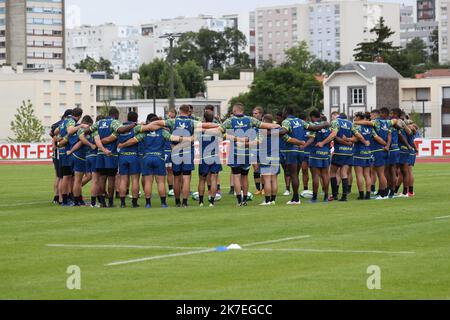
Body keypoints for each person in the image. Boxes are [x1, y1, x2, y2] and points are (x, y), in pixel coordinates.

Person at [211, 103, 280, 207]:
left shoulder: (230, 120)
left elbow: (218, 131)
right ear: (243, 110)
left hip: (235, 152)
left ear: (234, 110)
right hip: (247, 152)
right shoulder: (250, 119)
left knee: (236, 177)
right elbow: (264, 125)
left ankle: (239, 201)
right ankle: (245, 200)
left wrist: (230, 137)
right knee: (245, 176)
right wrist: (275, 125)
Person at [118, 114, 191, 208]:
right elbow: (173, 138)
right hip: (159, 158)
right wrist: (187, 138)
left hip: (147, 157)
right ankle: (163, 203)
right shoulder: (163, 132)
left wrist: (123, 145)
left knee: (148, 182)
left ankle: (148, 203)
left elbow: (133, 140)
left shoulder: (145, 132)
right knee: (160, 182)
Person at [280, 107, 330, 205]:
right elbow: (313, 128)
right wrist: (325, 123)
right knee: (298, 174)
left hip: (292, 150)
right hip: (302, 151)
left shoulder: (286, 121)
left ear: (286, 112)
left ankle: (295, 198)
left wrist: (270, 133)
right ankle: (324, 195)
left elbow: (283, 132)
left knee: (294, 175)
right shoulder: (300, 121)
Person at [350, 112, 386, 200]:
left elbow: (356, 138)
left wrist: (347, 139)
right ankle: (368, 194)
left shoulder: (355, 126)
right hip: (368, 153)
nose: (354, 118)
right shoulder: (370, 127)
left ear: (358, 117)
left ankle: (361, 195)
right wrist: (385, 144)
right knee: (367, 175)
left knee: (359, 175)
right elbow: (377, 137)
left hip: (358, 152)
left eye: (355, 117)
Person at [56, 107, 86, 206]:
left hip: (62, 151)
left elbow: (56, 132)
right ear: (80, 116)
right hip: (66, 152)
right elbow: (69, 131)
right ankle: (65, 200)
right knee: (66, 177)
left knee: (67, 177)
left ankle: (68, 198)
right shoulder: (71, 121)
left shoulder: (64, 121)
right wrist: (80, 126)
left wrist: (60, 139)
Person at [308, 111, 337, 203]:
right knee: (325, 175)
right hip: (325, 153)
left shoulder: (313, 126)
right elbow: (332, 136)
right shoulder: (327, 126)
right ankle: (325, 197)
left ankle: (315, 197)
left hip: (315, 152)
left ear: (312, 117)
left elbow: (311, 138)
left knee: (315, 176)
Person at [67, 115, 95, 206]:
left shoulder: (77, 128)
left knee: (82, 178)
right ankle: (76, 200)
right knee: (78, 180)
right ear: (88, 123)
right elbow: (81, 141)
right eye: (90, 125)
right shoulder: (82, 129)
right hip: (79, 156)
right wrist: (91, 145)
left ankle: (78, 198)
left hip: (78, 156)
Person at [197, 110, 223, 207]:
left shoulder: (199, 128)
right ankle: (212, 202)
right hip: (214, 156)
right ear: (212, 118)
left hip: (204, 156)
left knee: (202, 180)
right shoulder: (217, 128)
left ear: (204, 118)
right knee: (214, 180)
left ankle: (201, 202)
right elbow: (222, 134)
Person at [329, 112, 353, 202]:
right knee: (344, 173)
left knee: (332, 172)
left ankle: (335, 195)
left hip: (339, 152)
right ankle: (344, 196)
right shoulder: (351, 124)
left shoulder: (336, 122)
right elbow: (356, 137)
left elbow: (334, 137)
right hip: (349, 152)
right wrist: (348, 142)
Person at [258, 114, 280, 206]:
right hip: (275, 156)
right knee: (274, 179)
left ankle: (267, 201)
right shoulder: (276, 130)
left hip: (265, 156)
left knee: (267, 180)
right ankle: (273, 200)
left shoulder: (262, 131)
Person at [276, 112, 291, 196]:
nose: (277, 120)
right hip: (277, 151)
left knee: (287, 170)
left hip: (285, 151)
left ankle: (288, 189)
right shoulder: (275, 126)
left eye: (278, 118)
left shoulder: (286, 127)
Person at [251, 106, 265, 195]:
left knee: (263, 169)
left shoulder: (264, 124)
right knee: (256, 168)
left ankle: (264, 188)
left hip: (263, 149)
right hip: (253, 149)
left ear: (260, 114)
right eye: (253, 113)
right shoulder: (251, 124)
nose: (254, 115)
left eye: (255, 113)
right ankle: (257, 189)